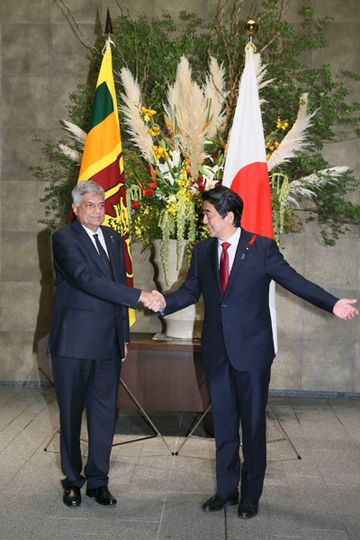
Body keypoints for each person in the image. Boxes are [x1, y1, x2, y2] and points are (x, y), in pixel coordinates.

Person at [154, 185, 358, 519]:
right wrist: (163, 302)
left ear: (229, 216)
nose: (203, 219)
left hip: (252, 354)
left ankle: (250, 495)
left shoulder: (261, 248)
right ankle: (224, 491)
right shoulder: (204, 250)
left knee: (252, 427)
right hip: (217, 353)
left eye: (207, 214)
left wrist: (332, 303)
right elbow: (190, 291)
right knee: (223, 425)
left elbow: (295, 281)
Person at [49, 180, 162, 508]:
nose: (98, 211)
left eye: (101, 205)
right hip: (73, 343)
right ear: (75, 208)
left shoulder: (113, 238)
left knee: (104, 415)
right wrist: (139, 296)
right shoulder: (63, 238)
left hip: (107, 343)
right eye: (90, 205)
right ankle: (72, 480)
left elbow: (115, 285)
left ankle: (98, 481)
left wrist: (122, 335)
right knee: (71, 415)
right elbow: (87, 280)